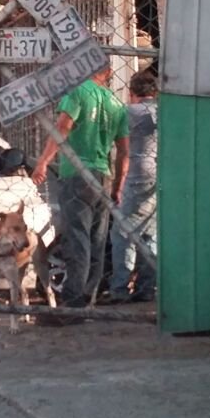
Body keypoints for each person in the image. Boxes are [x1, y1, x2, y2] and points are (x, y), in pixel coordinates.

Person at [31, 67, 129, 319]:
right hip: (103, 175)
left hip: (77, 173)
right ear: (108, 73)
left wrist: (43, 161)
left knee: (77, 239)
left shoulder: (77, 92)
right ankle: (88, 299)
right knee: (97, 240)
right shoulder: (117, 103)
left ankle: (72, 303)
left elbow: (63, 128)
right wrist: (118, 185)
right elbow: (124, 150)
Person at [110, 69, 158, 303]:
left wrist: (117, 186)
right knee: (150, 232)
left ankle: (120, 287)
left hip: (137, 173)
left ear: (131, 92)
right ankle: (146, 287)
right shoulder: (163, 112)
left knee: (123, 232)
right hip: (160, 174)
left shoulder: (128, 112)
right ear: (154, 92)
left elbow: (122, 150)